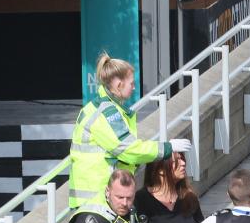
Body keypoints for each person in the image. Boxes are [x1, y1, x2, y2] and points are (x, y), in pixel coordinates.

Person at [69, 53, 191, 208]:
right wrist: (168, 148)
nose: (134, 87)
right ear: (119, 85)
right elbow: (128, 149)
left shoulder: (99, 108)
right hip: (98, 202)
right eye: (131, 83)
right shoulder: (107, 113)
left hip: (94, 201)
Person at [134, 153, 204, 223]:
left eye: (183, 159)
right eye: (177, 161)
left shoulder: (189, 197)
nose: (183, 163)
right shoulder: (141, 199)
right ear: (160, 170)